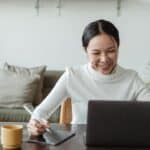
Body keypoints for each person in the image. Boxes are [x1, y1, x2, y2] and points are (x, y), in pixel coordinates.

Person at [27, 19, 150, 136]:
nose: (104, 59)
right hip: (79, 143)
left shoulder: (131, 78)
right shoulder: (73, 76)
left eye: (111, 51)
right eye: (96, 53)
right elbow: (40, 112)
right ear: (85, 51)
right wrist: (35, 124)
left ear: (118, 47)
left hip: (121, 142)